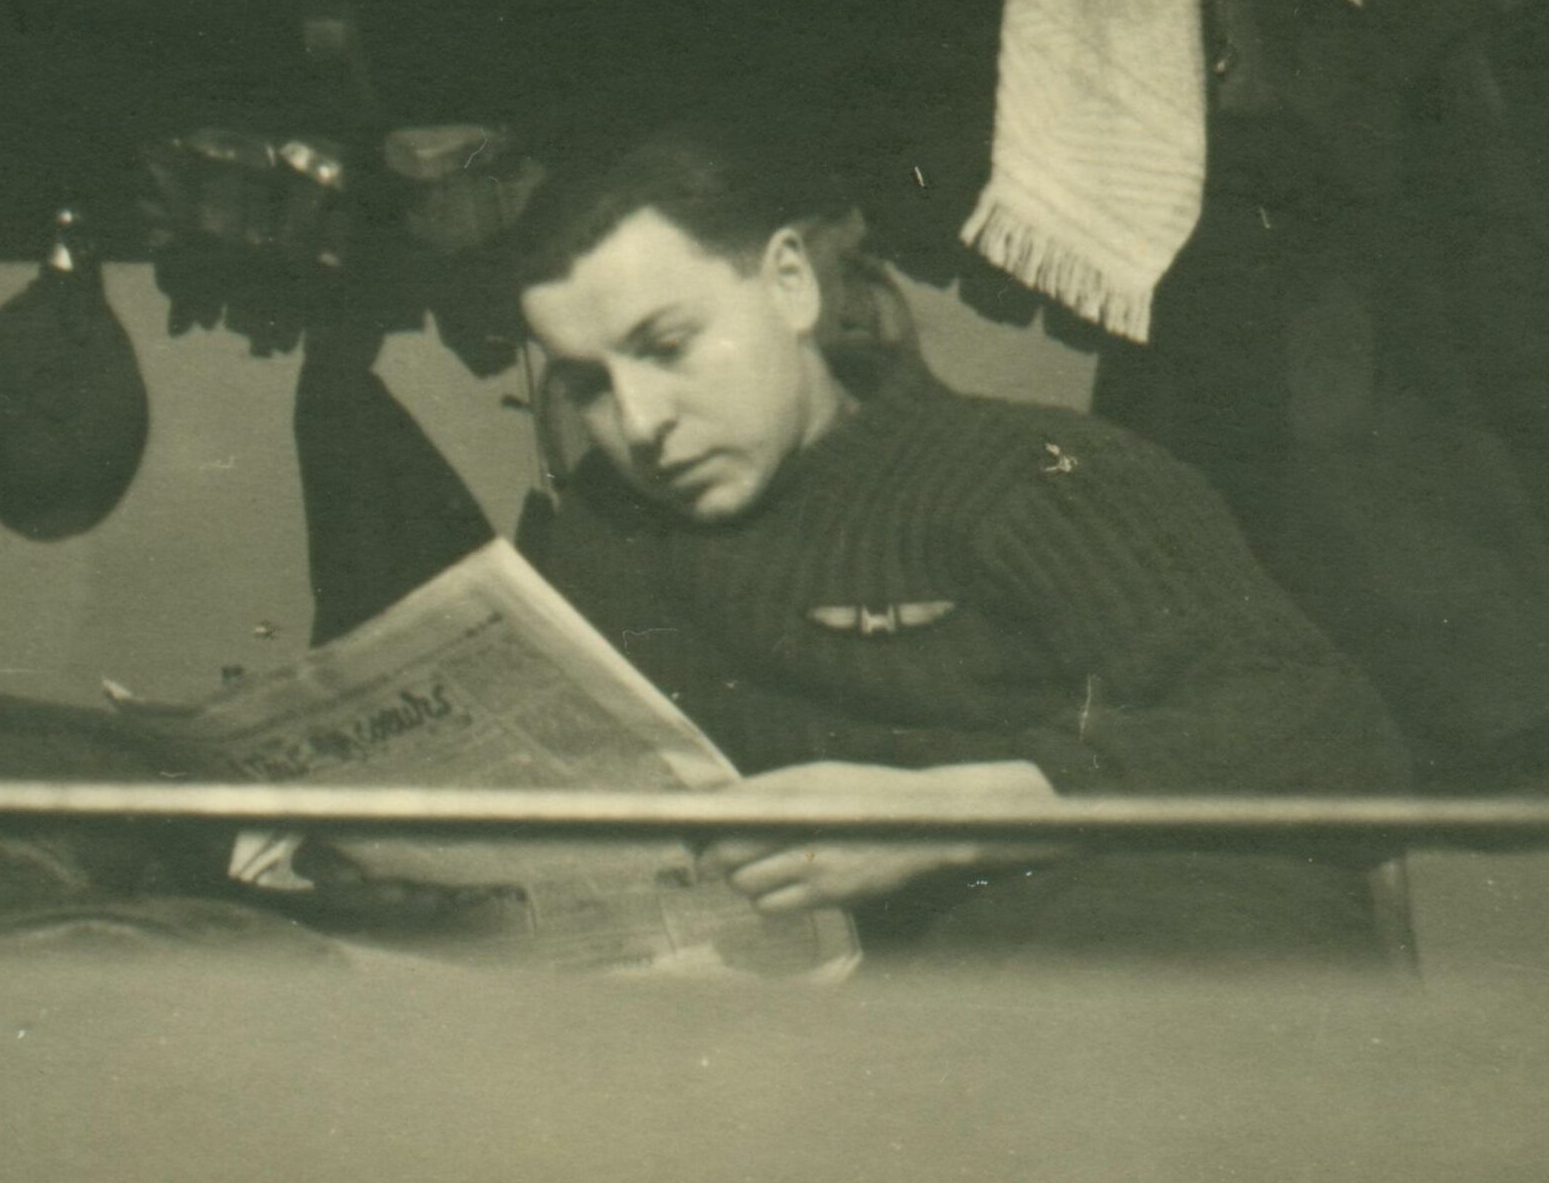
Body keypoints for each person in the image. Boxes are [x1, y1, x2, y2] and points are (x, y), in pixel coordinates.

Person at [509, 127, 1415, 962]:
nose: (640, 423)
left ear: (790, 282)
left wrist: (941, 813)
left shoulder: (1037, 477)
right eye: (589, 384)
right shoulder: (606, 531)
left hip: (1109, 985)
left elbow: (1335, 737)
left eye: (668, 345)